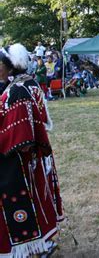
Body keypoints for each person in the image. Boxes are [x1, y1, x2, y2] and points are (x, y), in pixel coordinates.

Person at [0, 43, 63, 256]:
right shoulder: (22, 85)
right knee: (40, 198)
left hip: (21, 157)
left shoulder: (18, 90)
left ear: (10, 66)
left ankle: (38, 247)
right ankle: (43, 244)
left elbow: (23, 134)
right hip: (29, 155)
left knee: (31, 201)